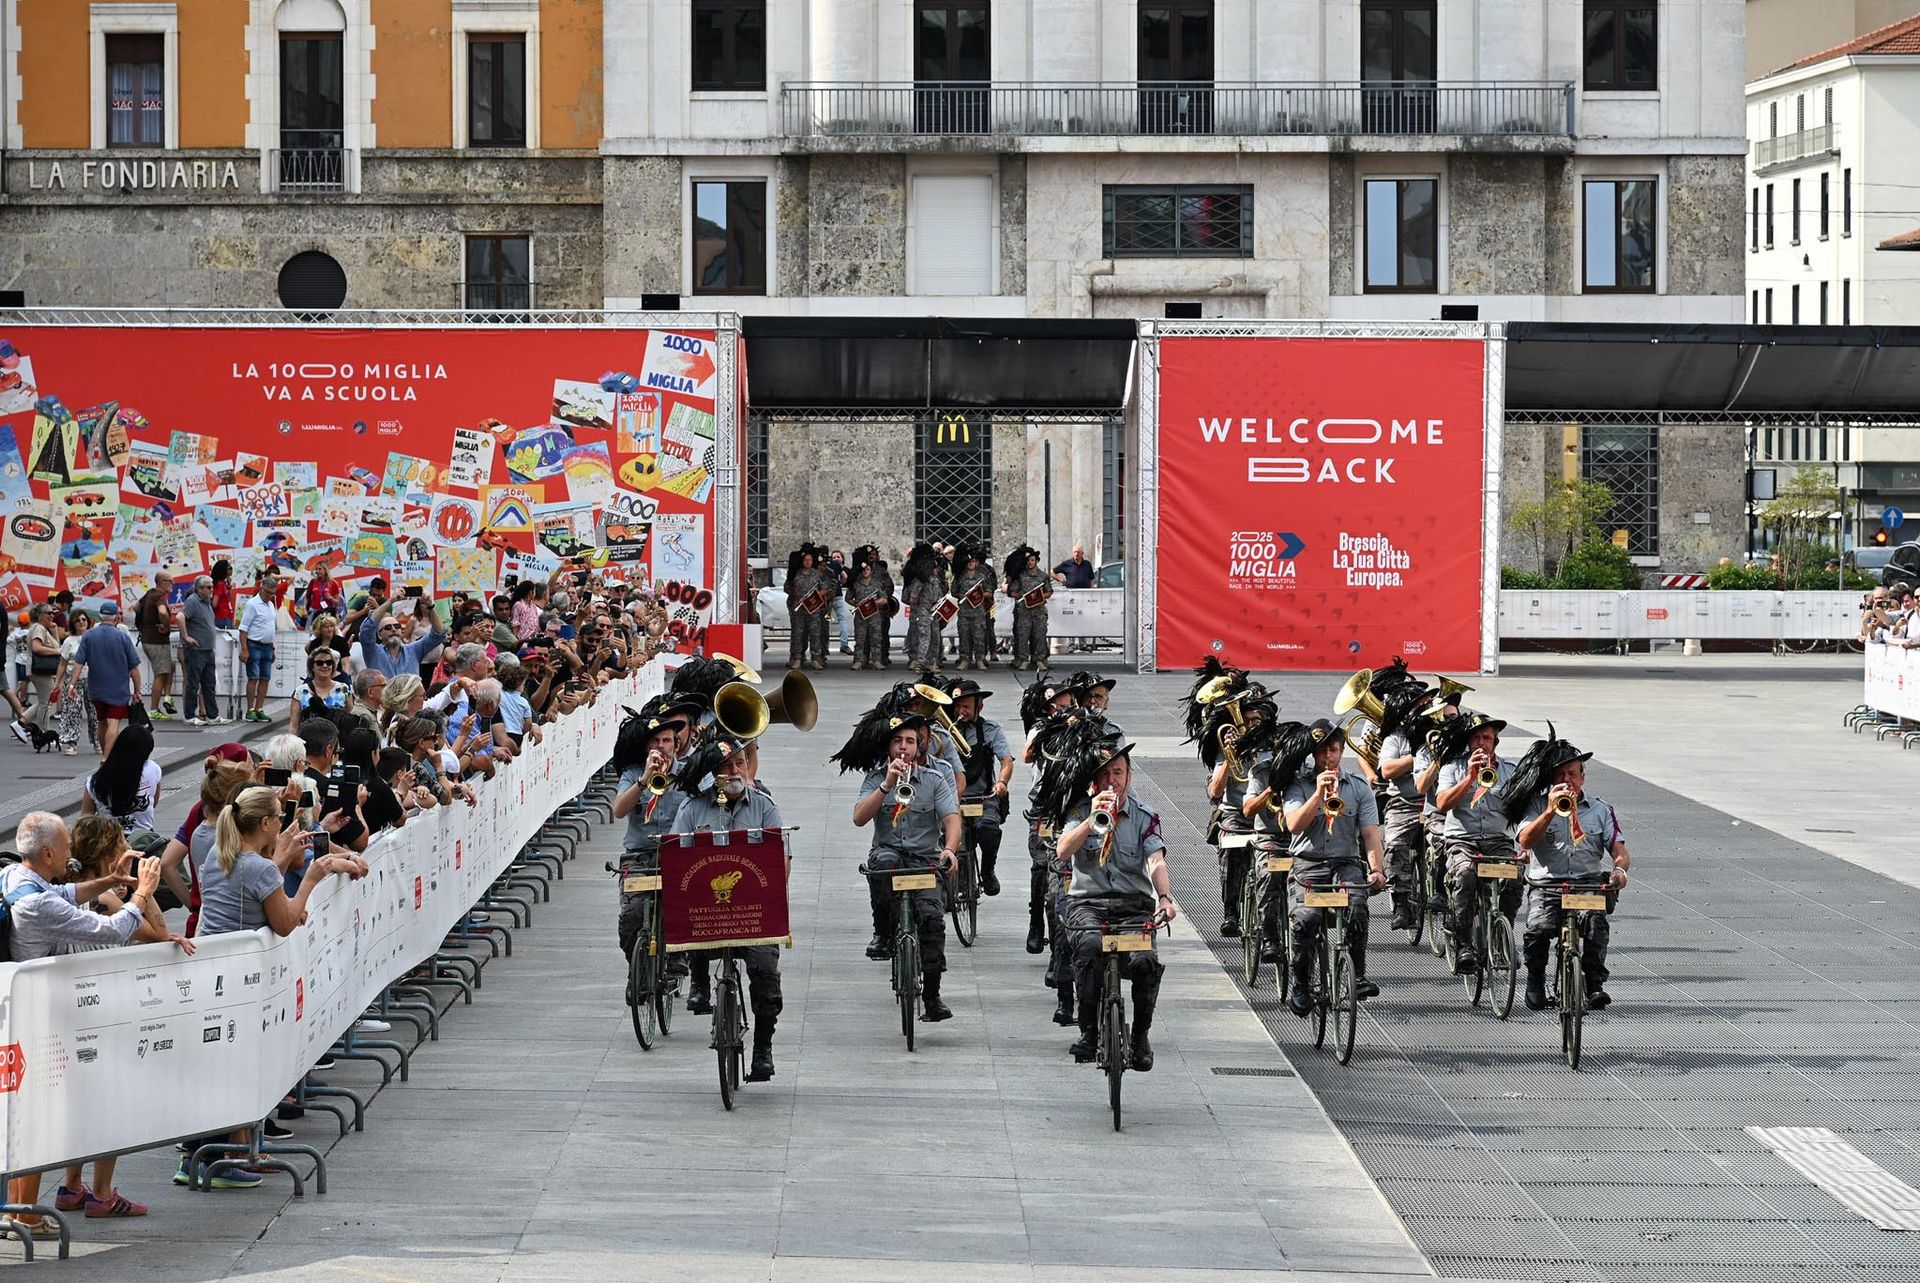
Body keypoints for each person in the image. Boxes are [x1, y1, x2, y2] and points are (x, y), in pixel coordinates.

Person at [2, 813, 181, 1233]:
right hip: (44, 1018)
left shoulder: (17, 875)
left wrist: (108, 881)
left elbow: (65, 890)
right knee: (35, 1118)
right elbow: (114, 929)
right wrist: (145, 891)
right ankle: (22, 1215)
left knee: (34, 1114)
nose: (71, 856)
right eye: (64, 849)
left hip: (39, 1012)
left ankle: (22, 1211)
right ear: (47, 853)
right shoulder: (38, 903)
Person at [48, 816, 188, 1219]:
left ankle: (73, 1185)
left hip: (76, 1010)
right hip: (103, 1013)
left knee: (84, 1102)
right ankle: (103, 1193)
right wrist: (143, 888)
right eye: (123, 842)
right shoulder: (110, 900)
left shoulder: (78, 894)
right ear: (112, 853)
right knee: (110, 1101)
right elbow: (160, 932)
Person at [1054, 738, 1175, 1069]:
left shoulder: (1145, 816)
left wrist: (1164, 898)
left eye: (1118, 773)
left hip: (1132, 906)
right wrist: (1091, 820)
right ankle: (1089, 1032)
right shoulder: (1078, 811)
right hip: (1087, 903)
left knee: (1145, 962)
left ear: (1129, 777)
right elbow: (1063, 850)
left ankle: (1140, 1037)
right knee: (1089, 948)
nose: (1112, 780)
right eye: (1105, 774)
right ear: (1095, 780)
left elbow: (1155, 860)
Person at [670, 735, 787, 1079]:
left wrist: (775, 893)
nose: (735, 771)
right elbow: (676, 859)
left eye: (740, 763)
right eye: (726, 766)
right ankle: (700, 983)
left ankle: (763, 1047)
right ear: (712, 772)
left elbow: (782, 859)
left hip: (753, 912)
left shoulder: (764, 805)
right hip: (708, 912)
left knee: (766, 975)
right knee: (687, 918)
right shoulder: (692, 808)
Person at [1512, 727, 1632, 1012]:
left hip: (1586, 883)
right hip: (1548, 884)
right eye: (1561, 775)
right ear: (1551, 779)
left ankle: (1594, 984)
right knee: (1538, 931)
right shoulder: (1536, 805)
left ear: (1582, 777)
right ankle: (1536, 979)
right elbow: (1526, 839)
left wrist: (1619, 871)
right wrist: (1551, 810)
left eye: (1573, 774)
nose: (1568, 781)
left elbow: (1620, 851)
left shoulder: (1601, 810)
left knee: (1595, 925)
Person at [851, 713, 960, 1020]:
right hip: (889, 854)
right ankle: (883, 933)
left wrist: (949, 850)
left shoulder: (934, 779)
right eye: (897, 741)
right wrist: (886, 784)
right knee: (881, 866)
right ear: (888, 747)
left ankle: (933, 997)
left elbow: (952, 819)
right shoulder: (875, 778)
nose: (903, 747)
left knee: (933, 921)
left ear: (918, 746)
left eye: (909, 742)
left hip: (924, 858)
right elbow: (859, 818)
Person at [1280, 720, 1387, 1017]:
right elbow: (1293, 824)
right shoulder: (1298, 784)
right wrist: (1317, 795)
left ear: (1342, 752)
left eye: (1335, 750)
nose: (1330, 756)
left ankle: (1358, 974)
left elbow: (1370, 833)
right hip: (1309, 864)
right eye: (1324, 751)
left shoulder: (1359, 788)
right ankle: (1301, 982)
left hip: (1346, 863)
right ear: (1313, 754)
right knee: (1306, 919)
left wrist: (1376, 869)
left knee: (1358, 906)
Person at [1432, 712, 1521, 977]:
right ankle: (1464, 945)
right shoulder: (1453, 768)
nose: (1482, 743)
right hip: (1463, 840)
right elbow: (1442, 804)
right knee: (1466, 874)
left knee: (1515, 877)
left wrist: (1525, 845)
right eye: (1477, 738)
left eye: (1487, 738)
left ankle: (1503, 933)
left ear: (1495, 743)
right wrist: (1469, 778)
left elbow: (1522, 809)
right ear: (1469, 743)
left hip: (1498, 841)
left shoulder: (1510, 771)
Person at [947, 678, 1012, 897]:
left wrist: (1002, 782)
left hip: (983, 797)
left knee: (989, 829)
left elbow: (1006, 760)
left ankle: (988, 871)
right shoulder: (945, 731)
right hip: (953, 798)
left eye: (966, 706)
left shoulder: (991, 729)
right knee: (946, 836)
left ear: (979, 706)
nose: (961, 711)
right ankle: (951, 884)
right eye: (958, 706)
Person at [81, 724, 163, 840]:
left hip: (107, 843)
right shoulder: (152, 769)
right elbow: (153, 802)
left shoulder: (95, 781)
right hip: (144, 841)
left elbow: (85, 820)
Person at [356, 597, 446, 681]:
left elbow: (438, 635)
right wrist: (391, 601)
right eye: (388, 627)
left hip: (410, 697)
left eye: (397, 626)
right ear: (379, 635)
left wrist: (430, 606)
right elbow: (366, 631)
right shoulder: (373, 652)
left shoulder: (413, 650)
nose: (393, 629)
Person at [52, 608, 98, 757]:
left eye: (84, 619)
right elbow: (62, 663)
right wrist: (57, 682)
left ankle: (97, 741)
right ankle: (72, 743)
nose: (81, 622)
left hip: (92, 680)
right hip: (73, 681)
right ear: (73, 623)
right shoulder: (68, 641)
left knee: (95, 713)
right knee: (72, 712)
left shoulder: (94, 637)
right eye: (78, 620)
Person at [181, 574, 225, 725]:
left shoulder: (206, 602)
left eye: (212, 587)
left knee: (209, 683)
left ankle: (213, 715)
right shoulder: (193, 600)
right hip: (197, 650)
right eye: (208, 587)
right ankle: (189, 715)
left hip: (207, 649)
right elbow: (181, 617)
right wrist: (186, 637)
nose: (212, 590)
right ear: (199, 589)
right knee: (193, 683)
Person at [134, 571, 177, 720]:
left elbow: (135, 607)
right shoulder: (159, 597)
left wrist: (144, 624)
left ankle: (167, 697)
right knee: (160, 674)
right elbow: (163, 612)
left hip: (148, 638)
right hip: (156, 641)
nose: (173, 583)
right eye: (170, 581)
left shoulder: (149, 593)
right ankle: (153, 710)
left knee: (170, 667)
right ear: (161, 582)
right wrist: (165, 625)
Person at [238, 573, 279, 722]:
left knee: (265, 678)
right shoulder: (252, 604)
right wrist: (244, 648)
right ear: (262, 588)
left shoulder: (271, 605)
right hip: (254, 644)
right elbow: (243, 628)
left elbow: (270, 627)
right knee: (253, 677)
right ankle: (250, 709)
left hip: (267, 645)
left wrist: (272, 648)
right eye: (268, 592)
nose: (270, 596)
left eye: (272, 593)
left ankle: (259, 708)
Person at [902, 542, 947, 677]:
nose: (937, 570)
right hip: (924, 610)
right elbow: (913, 596)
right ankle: (921, 663)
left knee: (936, 637)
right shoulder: (920, 580)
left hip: (934, 610)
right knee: (924, 637)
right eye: (935, 568)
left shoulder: (936, 581)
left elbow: (940, 594)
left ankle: (932, 662)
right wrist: (915, 600)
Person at [1005, 545, 1052, 671]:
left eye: (1032, 560)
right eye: (1028, 560)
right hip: (1024, 611)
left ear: (1036, 561)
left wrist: (1038, 597)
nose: (1030, 562)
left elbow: (1049, 591)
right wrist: (1023, 596)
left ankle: (1040, 660)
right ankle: (1024, 659)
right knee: (1023, 636)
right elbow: (1012, 592)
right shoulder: (1020, 576)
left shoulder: (1043, 576)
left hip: (1039, 612)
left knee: (1039, 636)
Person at [784, 543, 829, 672]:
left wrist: (816, 596)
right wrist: (795, 596)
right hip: (799, 608)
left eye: (810, 560)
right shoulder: (795, 574)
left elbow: (826, 587)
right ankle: (797, 658)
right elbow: (787, 587)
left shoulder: (817, 574)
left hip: (813, 608)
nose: (807, 562)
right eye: (805, 560)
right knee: (798, 633)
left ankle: (816, 658)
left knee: (815, 633)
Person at [847, 546, 893, 671]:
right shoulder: (857, 583)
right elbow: (848, 597)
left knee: (876, 639)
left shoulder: (877, 583)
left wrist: (874, 603)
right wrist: (856, 604)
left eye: (868, 569)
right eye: (864, 570)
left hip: (874, 615)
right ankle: (858, 661)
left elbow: (884, 597)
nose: (866, 571)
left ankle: (877, 660)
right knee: (860, 639)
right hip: (861, 615)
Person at [23, 604, 63, 745]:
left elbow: (56, 647)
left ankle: (22, 722)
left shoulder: (44, 629)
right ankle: (43, 732)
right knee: (47, 703)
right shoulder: (39, 628)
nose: (52, 616)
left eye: (53, 613)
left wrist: (55, 633)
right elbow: (37, 647)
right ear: (40, 615)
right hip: (40, 670)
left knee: (45, 702)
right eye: (49, 613)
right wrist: (57, 652)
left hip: (43, 671)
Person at [951, 545, 995, 671]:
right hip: (964, 612)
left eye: (973, 561)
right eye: (969, 561)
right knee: (964, 636)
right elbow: (954, 592)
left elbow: (989, 592)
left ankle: (980, 659)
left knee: (979, 636)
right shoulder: (960, 576)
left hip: (978, 612)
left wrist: (977, 595)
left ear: (976, 563)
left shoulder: (982, 576)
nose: (971, 563)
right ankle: (965, 659)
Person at [289, 649, 348, 734]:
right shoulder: (300, 691)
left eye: (329, 662)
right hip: (308, 742)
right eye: (319, 663)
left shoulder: (344, 689)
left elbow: (350, 720)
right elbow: (294, 726)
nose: (325, 666)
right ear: (312, 667)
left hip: (337, 742)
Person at [827, 549, 854, 657]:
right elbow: (845, 577)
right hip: (837, 594)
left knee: (824, 620)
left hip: (825, 596)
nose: (836, 559)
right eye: (834, 557)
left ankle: (823, 645)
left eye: (838, 557)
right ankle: (844, 643)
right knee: (842, 619)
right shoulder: (837, 566)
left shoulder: (825, 565)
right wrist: (840, 584)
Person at [209, 558, 237, 628]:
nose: (231, 570)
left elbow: (229, 598)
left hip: (227, 616)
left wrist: (229, 585)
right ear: (223, 570)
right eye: (229, 568)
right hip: (221, 617)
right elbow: (214, 604)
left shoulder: (224, 583)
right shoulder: (220, 584)